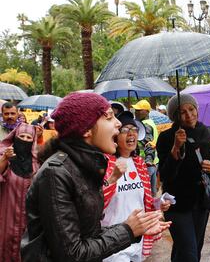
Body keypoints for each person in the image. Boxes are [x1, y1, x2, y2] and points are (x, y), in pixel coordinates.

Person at [21, 92, 170, 262]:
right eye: (109, 118)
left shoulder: (85, 167)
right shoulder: (56, 174)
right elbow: (72, 254)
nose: (119, 124)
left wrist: (135, 228)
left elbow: (88, 233)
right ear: (86, 129)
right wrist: (127, 231)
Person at [102, 111, 172, 262]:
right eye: (125, 130)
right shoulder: (104, 163)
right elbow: (96, 200)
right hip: (113, 241)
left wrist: (158, 203)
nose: (131, 134)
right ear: (115, 135)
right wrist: (113, 177)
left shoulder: (139, 163)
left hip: (137, 239)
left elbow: (144, 200)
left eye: (134, 130)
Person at [156, 93, 210, 262]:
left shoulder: (204, 131)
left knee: (191, 249)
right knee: (189, 254)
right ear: (175, 116)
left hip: (200, 201)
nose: (189, 115)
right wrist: (175, 148)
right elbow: (166, 174)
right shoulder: (166, 137)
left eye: (191, 109)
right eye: (182, 112)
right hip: (176, 203)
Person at [0, 123, 38, 262]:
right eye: (22, 136)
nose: (25, 140)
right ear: (15, 137)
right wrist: (4, 159)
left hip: (27, 220)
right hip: (5, 216)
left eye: (29, 137)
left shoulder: (36, 163)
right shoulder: (5, 156)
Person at [133, 100, 159, 197]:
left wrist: (147, 160)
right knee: (151, 195)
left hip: (146, 163)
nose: (136, 112)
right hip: (153, 163)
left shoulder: (145, 125)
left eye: (139, 110)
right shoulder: (150, 122)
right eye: (136, 110)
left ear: (147, 112)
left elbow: (148, 144)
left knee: (145, 195)